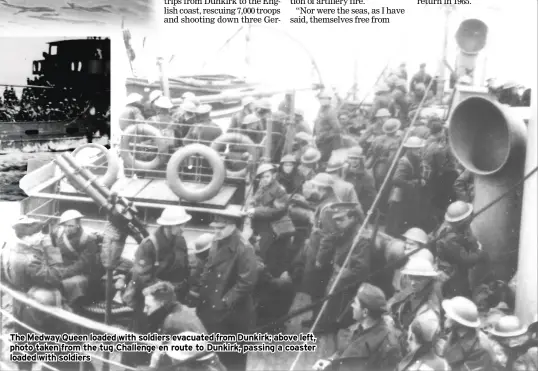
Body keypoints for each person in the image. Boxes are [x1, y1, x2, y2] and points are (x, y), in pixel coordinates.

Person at [196, 213, 258, 371]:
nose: (216, 232)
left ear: (233, 226)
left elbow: (246, 282)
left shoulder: (244, 248)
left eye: (221, 228)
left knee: (233, 358)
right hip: (214, 308)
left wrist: (225, 302)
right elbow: (209, 268)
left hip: (233, 313)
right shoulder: (218, 241)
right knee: (215, 353)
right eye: (215, 228)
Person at [313, 283, 402, 371]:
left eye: (355, 303)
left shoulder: (388, 345)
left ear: (365, 312)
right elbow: (345, 354)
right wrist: (330, 361)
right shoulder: (359, 328)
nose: (352, 306)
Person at [316, 203, 370, 334]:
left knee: (336, 312)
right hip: (337, 274)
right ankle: (325, 326)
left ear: (352, 218)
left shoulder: (361, 237)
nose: (337, 223)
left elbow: (360, 269)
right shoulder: (344, 231)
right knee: (328, 305)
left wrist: (341, 277)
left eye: (341, 219)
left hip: (345, 281)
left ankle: (329, 329)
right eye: (336, 220)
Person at [432, 201, 489, 299]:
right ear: (462, 221)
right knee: (459, 296)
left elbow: (468, 237)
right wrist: (479, 252)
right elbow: (466, 260)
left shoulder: (458, 226)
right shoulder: (448, 238)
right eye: (468, 217)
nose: (471, 218)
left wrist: (472, 243)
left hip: (456, 268)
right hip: (451, 275)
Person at [51, 209, 103, 307]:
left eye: (71, 226)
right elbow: (53, 248)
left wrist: (63, 273)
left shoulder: (87, 240)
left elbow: (82, 264)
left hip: (82, 271)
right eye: (65, 226)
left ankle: (73, 305)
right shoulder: (58, 233)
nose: (67, 229)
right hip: (63, 266)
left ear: (78, 225)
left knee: (70, 283)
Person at [245, 163, 290, 275]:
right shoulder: (263, 185)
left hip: (272, 227)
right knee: (256, 250)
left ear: (274, 176)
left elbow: (277, 211)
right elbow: (255, 199)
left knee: (267, 254)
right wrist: (251, 207)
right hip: (259, 225)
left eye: (267, 176)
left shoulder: (280, 190)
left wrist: (256, 211)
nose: (264, 179)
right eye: (262, 177)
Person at [388, 258, 443, 339]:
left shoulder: (432, 305)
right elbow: (391, 304)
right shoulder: (411, 290)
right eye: (411, 277)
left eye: (418, 278)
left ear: (429, 278)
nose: (413, 283)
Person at [386, 136, 427, 237]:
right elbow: (397, 179)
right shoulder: (404, 162)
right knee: (396, 220)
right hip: (401, 195)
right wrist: (416, 182)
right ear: (410, 149)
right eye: (417, 148)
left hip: (408, 194)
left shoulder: (415, 158)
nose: (419, 150)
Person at [442, 296, 497, 371]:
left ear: (459, 322)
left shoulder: (480, 347)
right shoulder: (455, 333)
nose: (446, 315)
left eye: (450, 315)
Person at [314, 91, 342, 164]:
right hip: (319, 138)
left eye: (325, 99)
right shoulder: (322, 108)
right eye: (321, 98)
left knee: (323, 159)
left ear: (329, 100)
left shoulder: (330, 112)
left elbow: (337, 128)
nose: (322, 100)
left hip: (326, 140)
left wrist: (325, 136)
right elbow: (319, 121)